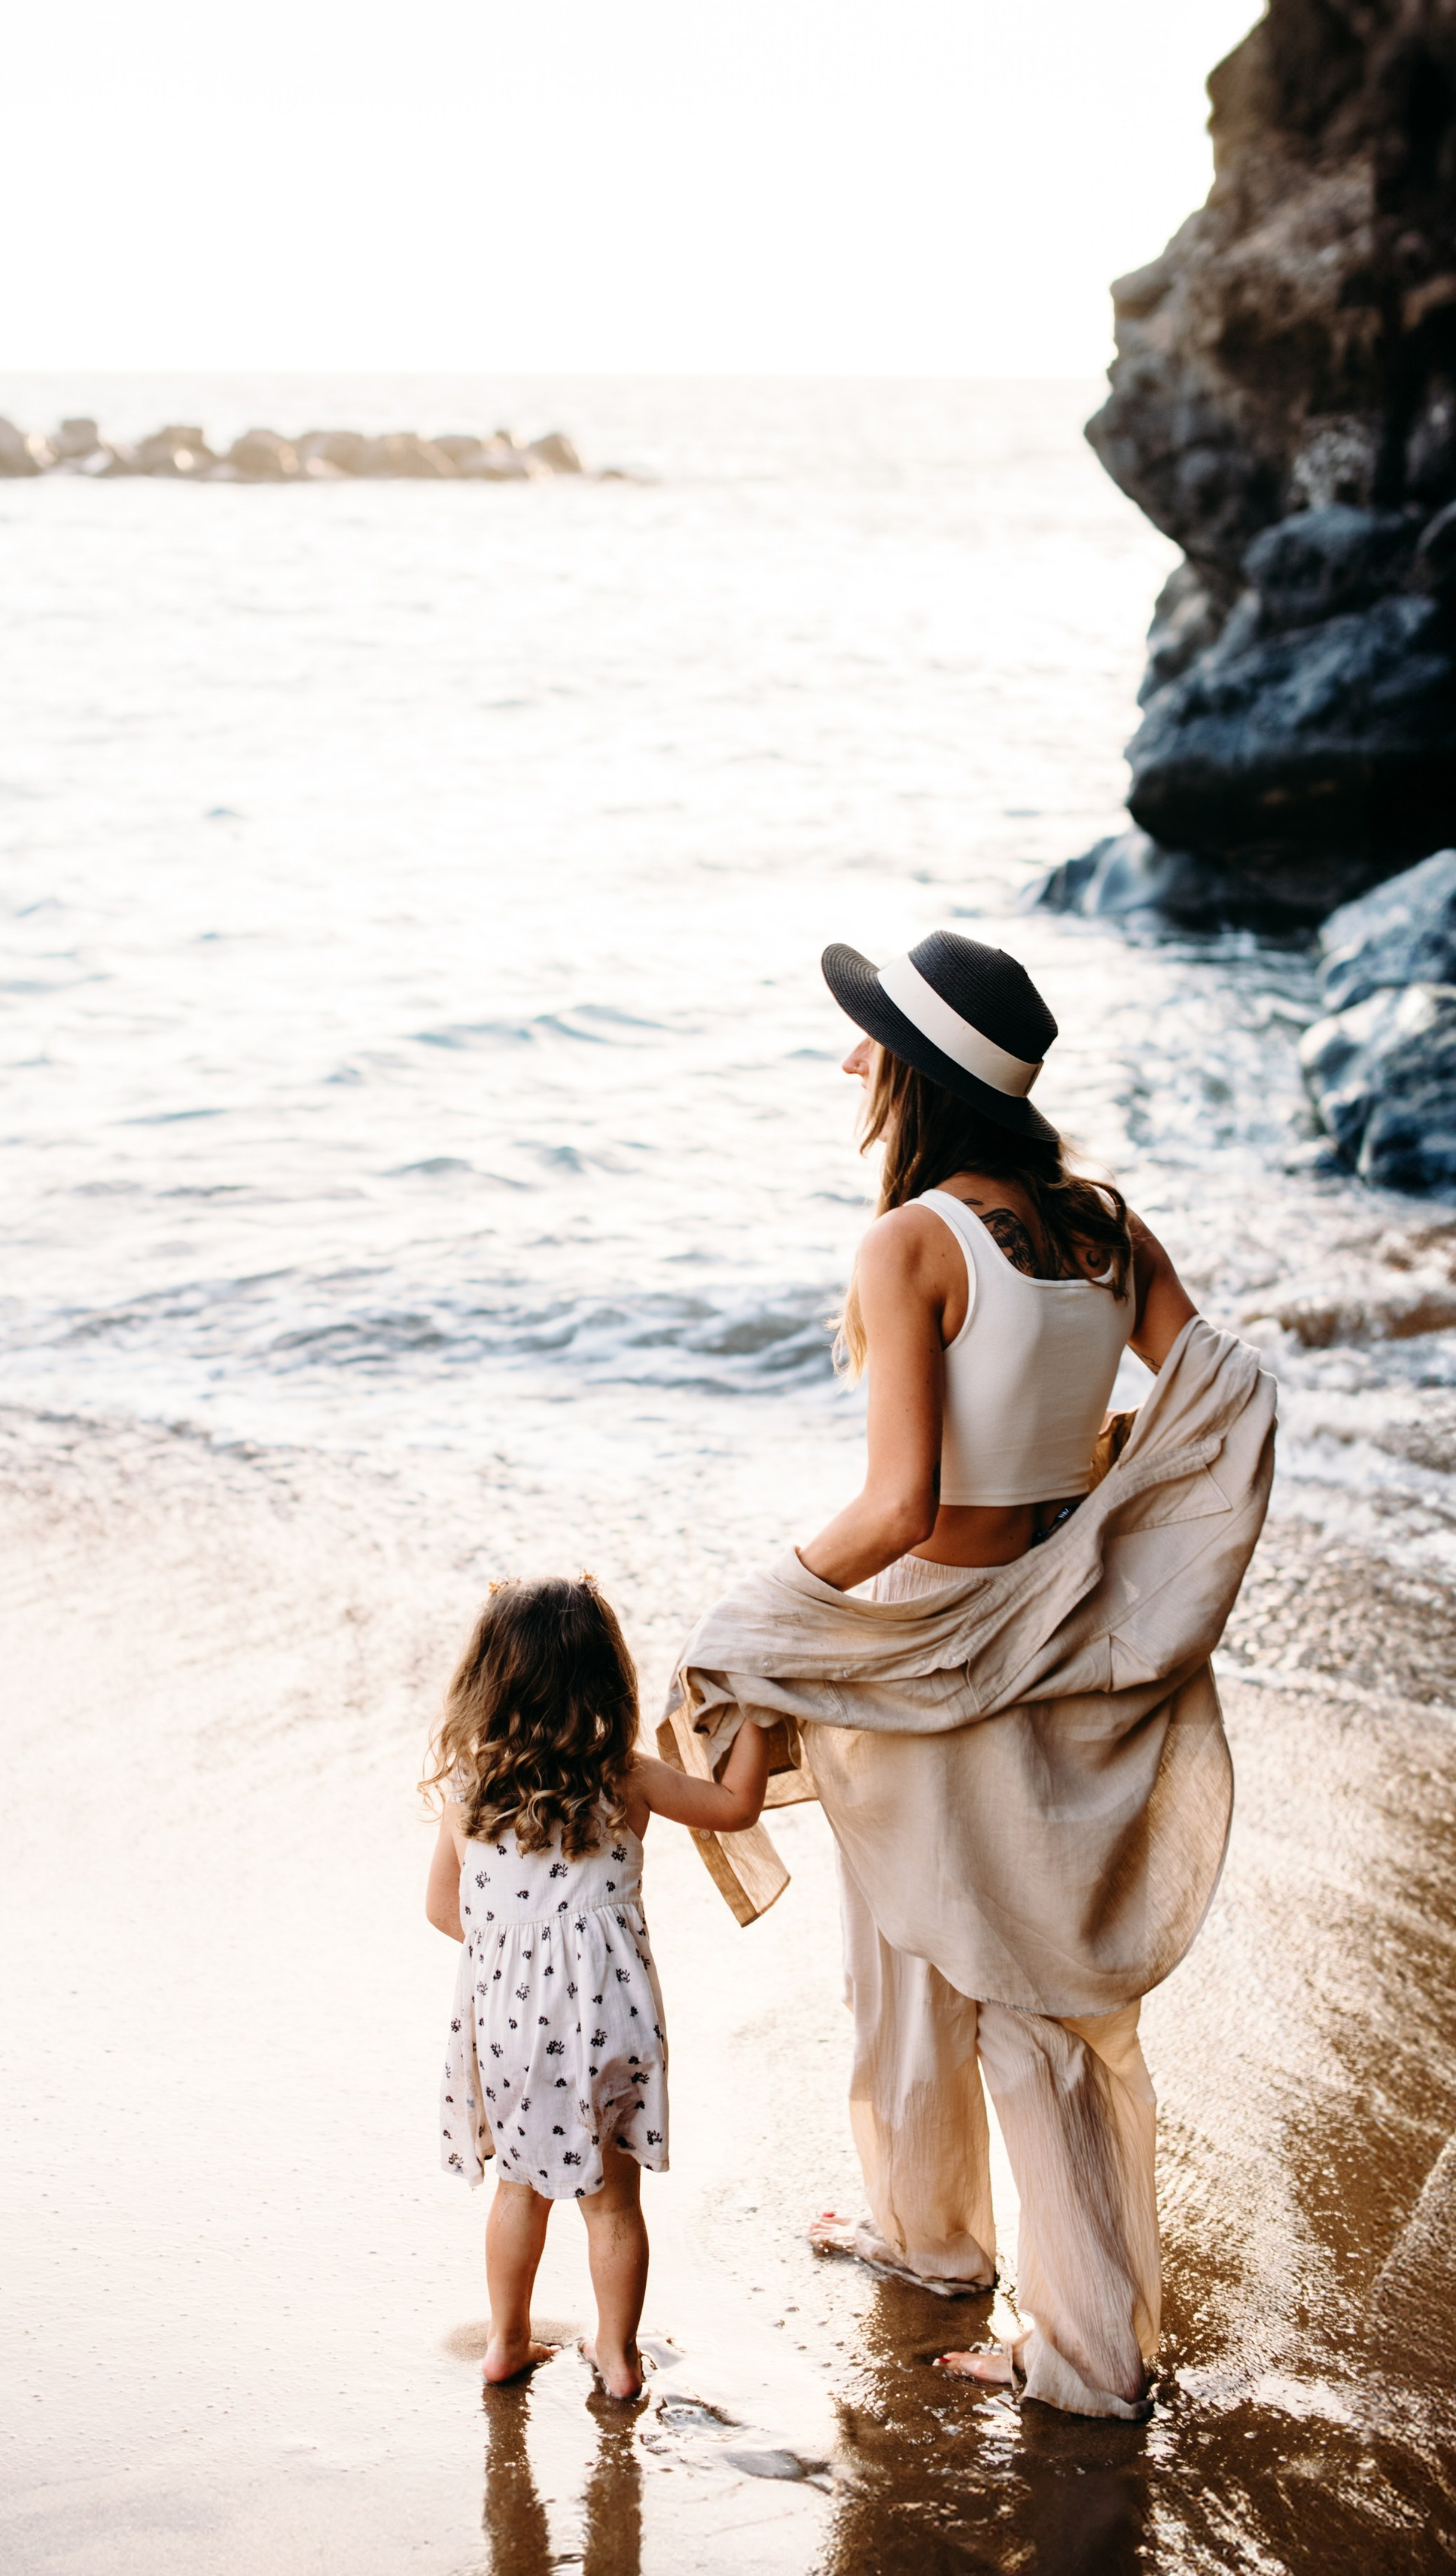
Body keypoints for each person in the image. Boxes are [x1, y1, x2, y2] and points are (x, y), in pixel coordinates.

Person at [660, 929, 1274, 2418]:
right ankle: (928, 2237)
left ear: (922, 1071)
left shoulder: (910, 1243)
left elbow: (898, 1515)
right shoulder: (1105, 1234)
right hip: (1058, 1633)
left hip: (936, 1627)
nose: (849, 1057)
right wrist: (1118, 1527)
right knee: (961, 1951)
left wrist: (760, 1606)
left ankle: (1071, 2349)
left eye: (871, 1036)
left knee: (966, 1971)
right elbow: (1225, 1388)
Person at [422, 1574, 769, 2398]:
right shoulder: (627, 1779)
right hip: (611, 2022)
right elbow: (736, 1807)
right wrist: (759, 1710)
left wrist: (518, 1950)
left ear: (487, 1682)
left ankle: (506, 2343)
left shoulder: (469, 1795)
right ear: (608, 1678)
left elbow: (443, 1912)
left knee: (519, 2188)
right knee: (613, 2205)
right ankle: (617, 2359)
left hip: (509, 2025)